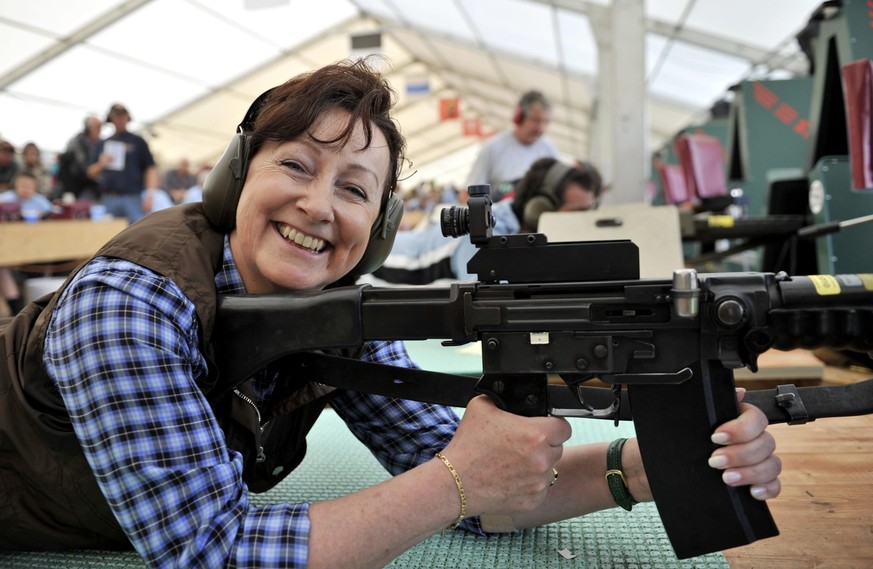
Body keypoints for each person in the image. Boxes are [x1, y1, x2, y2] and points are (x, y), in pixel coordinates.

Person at [0, 60, 781, 568]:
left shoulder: (328, 312)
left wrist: (641, 467)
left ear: (376, 229)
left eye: (353, 188)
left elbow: (485, 491)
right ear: (236, 177)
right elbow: (210, 551)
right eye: (296, 165)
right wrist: (454, 481)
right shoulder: (129, 303)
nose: (317, 203)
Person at [372, 157, 602, 285]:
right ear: (539, 207)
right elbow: (485, 291)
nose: (585, 219)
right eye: (578, 211)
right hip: (381, 261)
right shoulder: (489, 227)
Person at [464, 90, 558, 200]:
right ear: (519, 118)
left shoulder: (549, 150)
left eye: (545, 122)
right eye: (535, 120)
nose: (541, 128)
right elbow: (467, 193)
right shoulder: (493, 148)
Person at [86, 103, 158, 223]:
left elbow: (150, 169)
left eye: (122, 116)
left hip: (133, 197)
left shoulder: (138, 141)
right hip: (110, 197)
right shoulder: (103, 143)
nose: (119, 119)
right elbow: (90, 172)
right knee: (109, 235)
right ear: (111, 119)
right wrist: (101, 164)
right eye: (116, 116)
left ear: (127, 118)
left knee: (136, 234)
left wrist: (150, 196)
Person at [58, 114, 103, 200]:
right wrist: (100, 165)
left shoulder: (99, 144)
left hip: (93, 188)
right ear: (89, 128)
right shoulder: (77, 143)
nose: (100, 130)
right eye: (98, 127)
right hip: (76, 187)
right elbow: (84, 170)